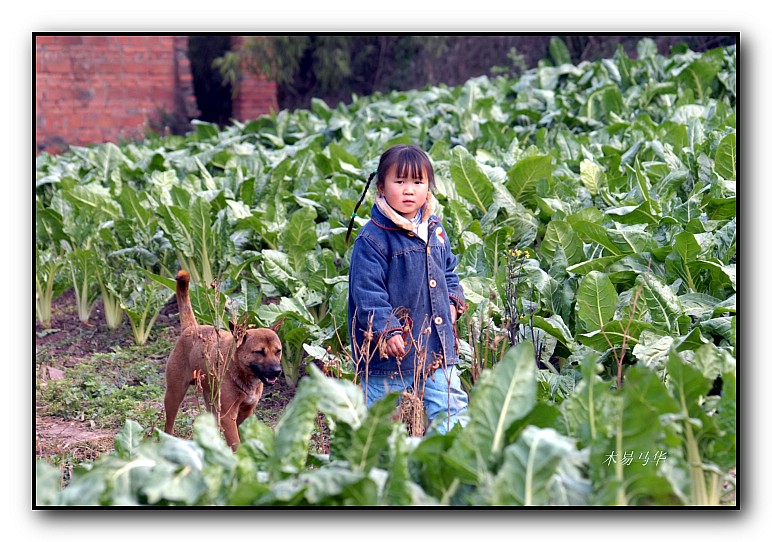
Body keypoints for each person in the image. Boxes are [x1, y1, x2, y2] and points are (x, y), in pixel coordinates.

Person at [346, 144, 468, 435]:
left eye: (418, 182)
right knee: (382, 424)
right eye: (399, 182)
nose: (409, 190)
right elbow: (368, 294)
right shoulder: (373, 239)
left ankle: (447, 472)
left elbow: (449, 271)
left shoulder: (435, 228)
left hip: (436, 348)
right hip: (389, 357)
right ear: (381, 186)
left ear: (429, 187)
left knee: (450, 413)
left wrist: (453, 301)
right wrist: (389, 330)